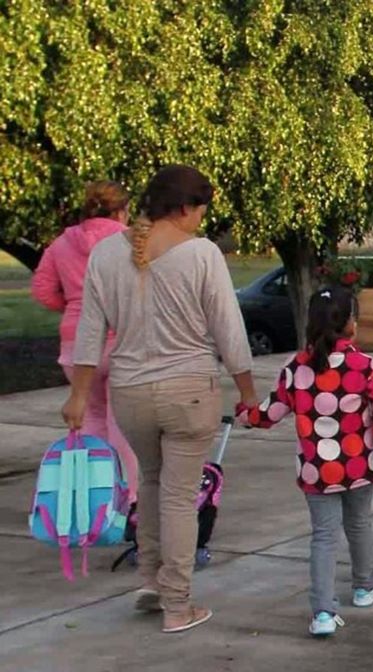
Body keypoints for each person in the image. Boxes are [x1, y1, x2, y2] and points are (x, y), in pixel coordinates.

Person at [62, 165, 257, 634]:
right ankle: (177, 603)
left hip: (129, 392)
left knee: (148, 483)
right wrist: (248, 391)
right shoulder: (202, 254)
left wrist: (79, 395)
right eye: (201, 211)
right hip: (188, 390)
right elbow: (229, 329)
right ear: (186, 208)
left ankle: (149, 582)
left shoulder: (107, 253)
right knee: (178, 496)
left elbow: (90, 330)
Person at [243, 286, 373, 637]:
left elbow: (271, 413)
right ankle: (364, 586)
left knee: (323, 536)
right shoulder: (365, 367)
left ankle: (322, 613)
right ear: (351, 324)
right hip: (359, 467)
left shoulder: (295, 370)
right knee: (359, 523)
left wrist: (247, 415)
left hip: (316, 470)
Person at [32, 181, 139, 507]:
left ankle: (96, 498)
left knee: (92, 421)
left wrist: (72, 305)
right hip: (120, 342)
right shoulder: (129, 241)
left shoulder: (62, 243)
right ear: (122, 209)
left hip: (76, 345)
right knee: (123, 428)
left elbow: (42, 290)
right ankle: (130, 498)